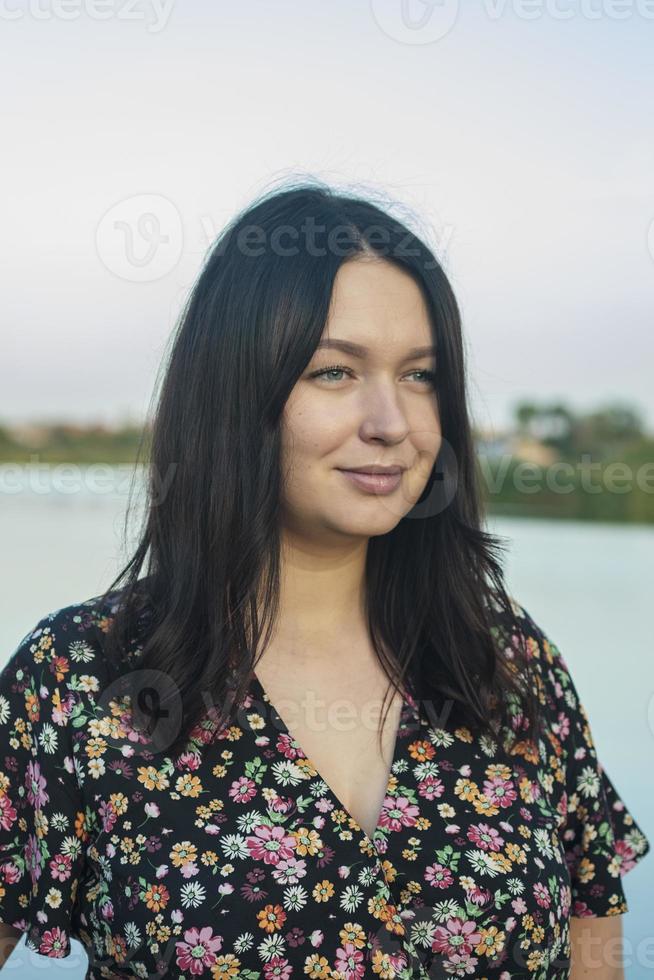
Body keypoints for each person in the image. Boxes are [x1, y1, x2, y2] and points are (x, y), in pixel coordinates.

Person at [0, 181, 649, 979]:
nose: (391, 422)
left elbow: (594, 938)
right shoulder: (79, 677)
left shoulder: (509, 666)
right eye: (335, 372)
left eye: (420, 376)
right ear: (238, 392)